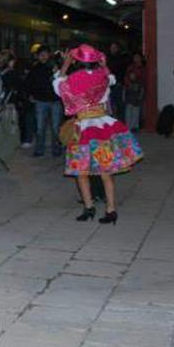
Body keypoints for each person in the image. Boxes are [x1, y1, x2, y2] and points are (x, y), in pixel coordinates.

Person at [55, 44, 143, 225]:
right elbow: (112, 79)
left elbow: (57, 83)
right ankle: (111, 210)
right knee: (106, 171)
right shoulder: (103, 77)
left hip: (83, 128)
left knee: (81, 171)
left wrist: (65, 64)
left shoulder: (71, 79)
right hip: (103, 126)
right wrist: (104, 65)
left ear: (76, 61)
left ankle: (88, 207)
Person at [24, 45, 62, 157]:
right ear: (38, 56)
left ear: (49, 55)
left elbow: (62, 81)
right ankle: (40, 150)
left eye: (45, 54)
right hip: (40, 101)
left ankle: (56, 149)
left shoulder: (55, 67)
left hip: (55, 101)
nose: (43, 56)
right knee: (40, 127)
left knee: (55, 127)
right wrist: (30, 95)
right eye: (41, 55)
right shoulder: (35, 68)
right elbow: (28, 83)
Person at [106, 42, 131, 119]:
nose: (112, 49)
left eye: (114, 47)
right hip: (108, 86)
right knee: (110, 105)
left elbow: (118, 69)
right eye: (111, 47)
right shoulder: (108, 58)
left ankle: (121, 121)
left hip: (118, 84)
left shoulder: (122, 58)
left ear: (118, 48)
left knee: (120, 104)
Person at [123, 52, 146, 133]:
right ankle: (128, 126)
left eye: (138, 57)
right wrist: (129, 84)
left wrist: (141, 89)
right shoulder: (130, 67)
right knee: (129, 108)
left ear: (141, 58)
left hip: (139, 89)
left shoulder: (143, 69)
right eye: (135, 57)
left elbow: (144, 80)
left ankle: (135, 126)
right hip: (130, 89)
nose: (136, 59)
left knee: (136, 108)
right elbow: (126, 77)